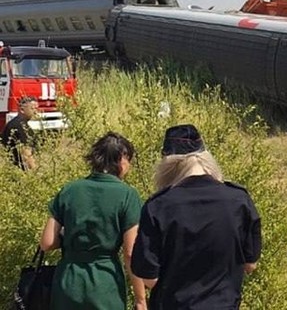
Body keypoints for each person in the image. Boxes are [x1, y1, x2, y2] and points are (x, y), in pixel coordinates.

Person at [132, 125, 262, 310]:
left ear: (168, 162)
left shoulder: (158, 207)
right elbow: (250, 265)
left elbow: (149, 277)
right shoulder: (239, 200)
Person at [40, 132, 145, 310]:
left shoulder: (70, 190)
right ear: (121, 159)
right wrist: (140, 299)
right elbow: (130, 252)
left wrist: (69, 239)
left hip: (68, 281)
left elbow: (47, 242)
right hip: (105, 283)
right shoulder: (128, 195)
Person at [1, 95, 38, 170]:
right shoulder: (19, 126)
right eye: (32, 108)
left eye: (36, 108)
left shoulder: (19, 123)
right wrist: (35, 173)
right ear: (22, 110)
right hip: (18, 171)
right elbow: (26, 153)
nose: (35, 111)